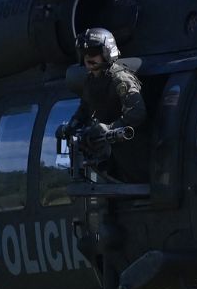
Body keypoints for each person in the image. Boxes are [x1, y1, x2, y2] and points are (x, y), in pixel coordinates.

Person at [59, 27, 146, 181]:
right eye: (84, 53)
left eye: (93, 53)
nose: (88, 58)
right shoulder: (90, 81)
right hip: (105, 147)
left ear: (106, 52)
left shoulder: (120, 79)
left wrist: (110, 129)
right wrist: (73, 125)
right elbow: (85, 107)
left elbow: (137, 112)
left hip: (128, 144)